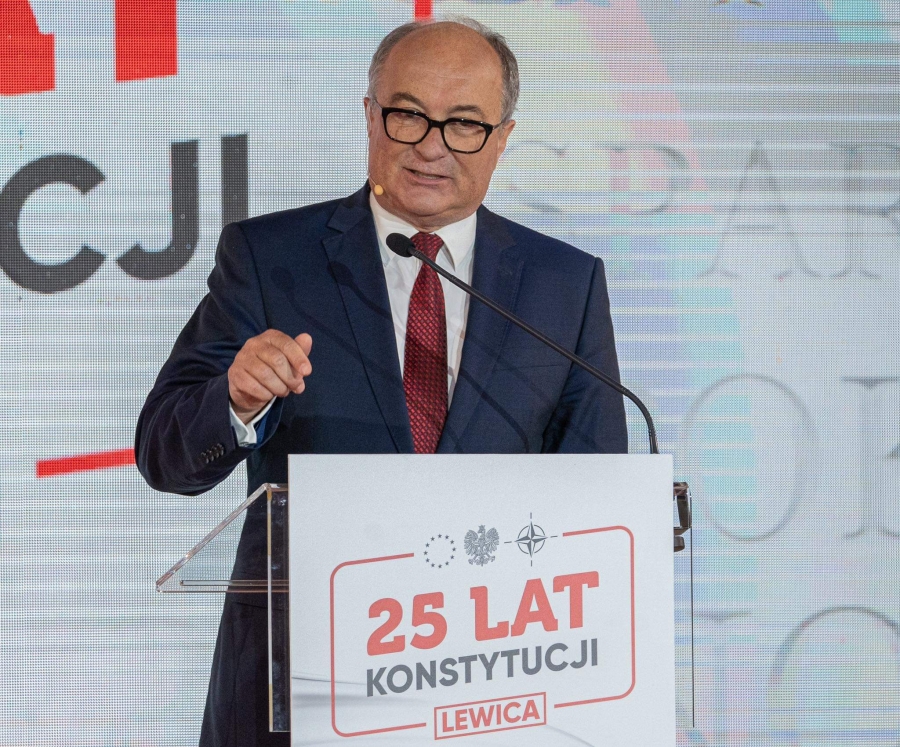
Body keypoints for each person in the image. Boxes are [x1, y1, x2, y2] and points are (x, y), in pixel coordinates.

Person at [135, 17, 627, 747]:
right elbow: (164, 454)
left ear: (503, 137)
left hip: (494, 684)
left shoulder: (564, 284)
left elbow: (597, 500)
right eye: (408, 114)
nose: (432, 145)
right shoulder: (272, 258)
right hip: (301, 683)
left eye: (465, 124)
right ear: (371, 115)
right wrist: (233, 402)